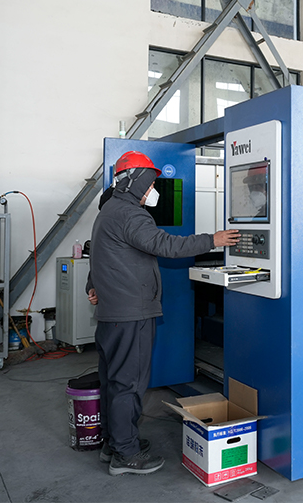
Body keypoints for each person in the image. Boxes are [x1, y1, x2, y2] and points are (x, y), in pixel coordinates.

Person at [86, 150, 239, 476]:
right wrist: (212, 239)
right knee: (129, 384)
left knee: (113, 381)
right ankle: (126, 454)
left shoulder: (108, 211)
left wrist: (92, 284)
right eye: (150, 183)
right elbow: (166, 245)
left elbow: (99, 253)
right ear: (135, 182)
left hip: (113, 315)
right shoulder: (131, 215)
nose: (152, 190)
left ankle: (114, 443)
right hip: (130, 314)